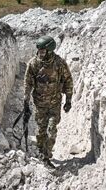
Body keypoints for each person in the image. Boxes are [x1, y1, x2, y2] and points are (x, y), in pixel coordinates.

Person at [24, 35, 73, 167]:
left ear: (50, 50)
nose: (40, 53)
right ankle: (41, 152)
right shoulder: (33, 63)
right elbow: (28, 83)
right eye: (39, 50)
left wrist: (69, 100)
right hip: (39, 105)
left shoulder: (59, 63)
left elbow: (68, 81)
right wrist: (25, 99)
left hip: (54, 104)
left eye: (43, 51)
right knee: (40, 131)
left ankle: (47, 155)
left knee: (51, 132)